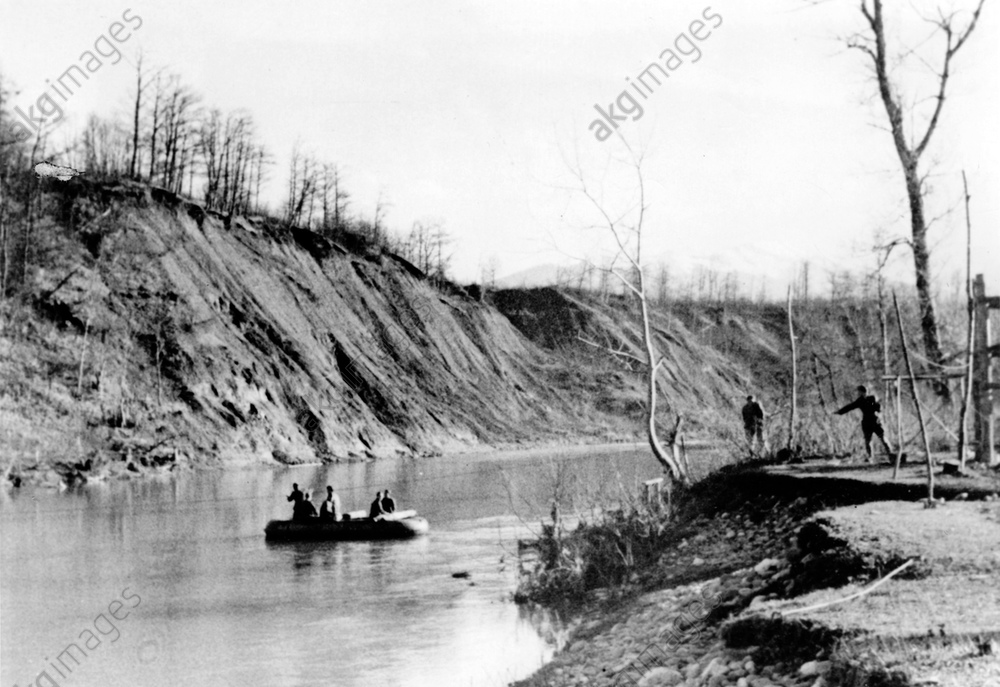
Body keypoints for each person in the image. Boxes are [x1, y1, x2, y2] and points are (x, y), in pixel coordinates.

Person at [835, 385, 894, 462]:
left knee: (882, 437)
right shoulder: (860, 400)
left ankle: (891, 455)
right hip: (867, 422)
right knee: (868, 440)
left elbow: (878, 408)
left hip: (875, 420)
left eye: (859, 391)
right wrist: (840, 412)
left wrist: (877, 407)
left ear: (862, 391)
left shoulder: (872, 398)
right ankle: (870, 458)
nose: (858, 393)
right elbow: (851, 406)